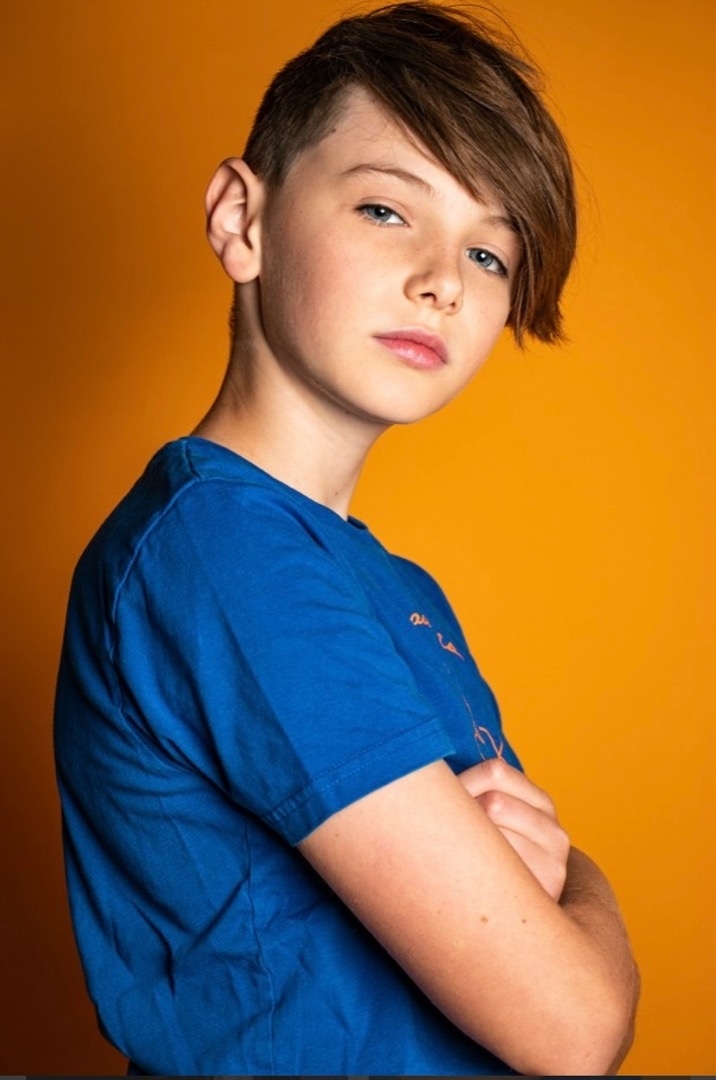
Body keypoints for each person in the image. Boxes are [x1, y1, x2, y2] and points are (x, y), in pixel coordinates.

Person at [54, 2, 639, 1075]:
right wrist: (587, 890)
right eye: (384, 209)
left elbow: (530, 909)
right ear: (242, 219)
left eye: (489, 252)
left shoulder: (386, 582)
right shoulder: (228, 554)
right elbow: (570, 1026)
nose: (442, 279)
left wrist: (554, 893)